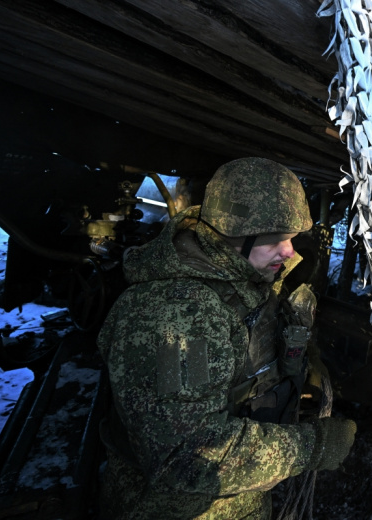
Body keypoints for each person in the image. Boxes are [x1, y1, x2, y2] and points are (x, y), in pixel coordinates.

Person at [97, 158, 356, 519]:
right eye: (276, 239)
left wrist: (297, 363)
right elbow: (185, 455)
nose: (290, 252)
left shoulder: (245, 278)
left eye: (292, 237)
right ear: (233, 233)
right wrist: (312, 447)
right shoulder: (177, 315)